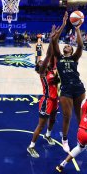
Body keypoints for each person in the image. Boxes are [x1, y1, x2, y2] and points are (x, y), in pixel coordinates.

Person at [52, 12, 86, 152]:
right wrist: (64, 24)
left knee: (79, 115)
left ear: (71, 50)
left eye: (69, 46)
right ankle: (65, 139)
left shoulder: (74, 58)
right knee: (67, 116)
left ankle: (82, 138)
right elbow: (54, 41)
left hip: (78, 88)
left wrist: (77, 29)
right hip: (65, 89)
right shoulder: (59, 57)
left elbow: (80, 45)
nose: (67, 46)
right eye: (65, 45)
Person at [27, 26, 60, 158]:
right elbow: (48, 55)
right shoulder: (42, 73)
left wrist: (54, 38)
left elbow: (52, 54)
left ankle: (48, 135)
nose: (43, 62)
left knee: (53, 120)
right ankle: (31, 146)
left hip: (55, 100)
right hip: (46, 101)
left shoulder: (51, 69)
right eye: (40, 62)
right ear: (39, 67)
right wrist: (51, 39)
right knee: (40, 125)